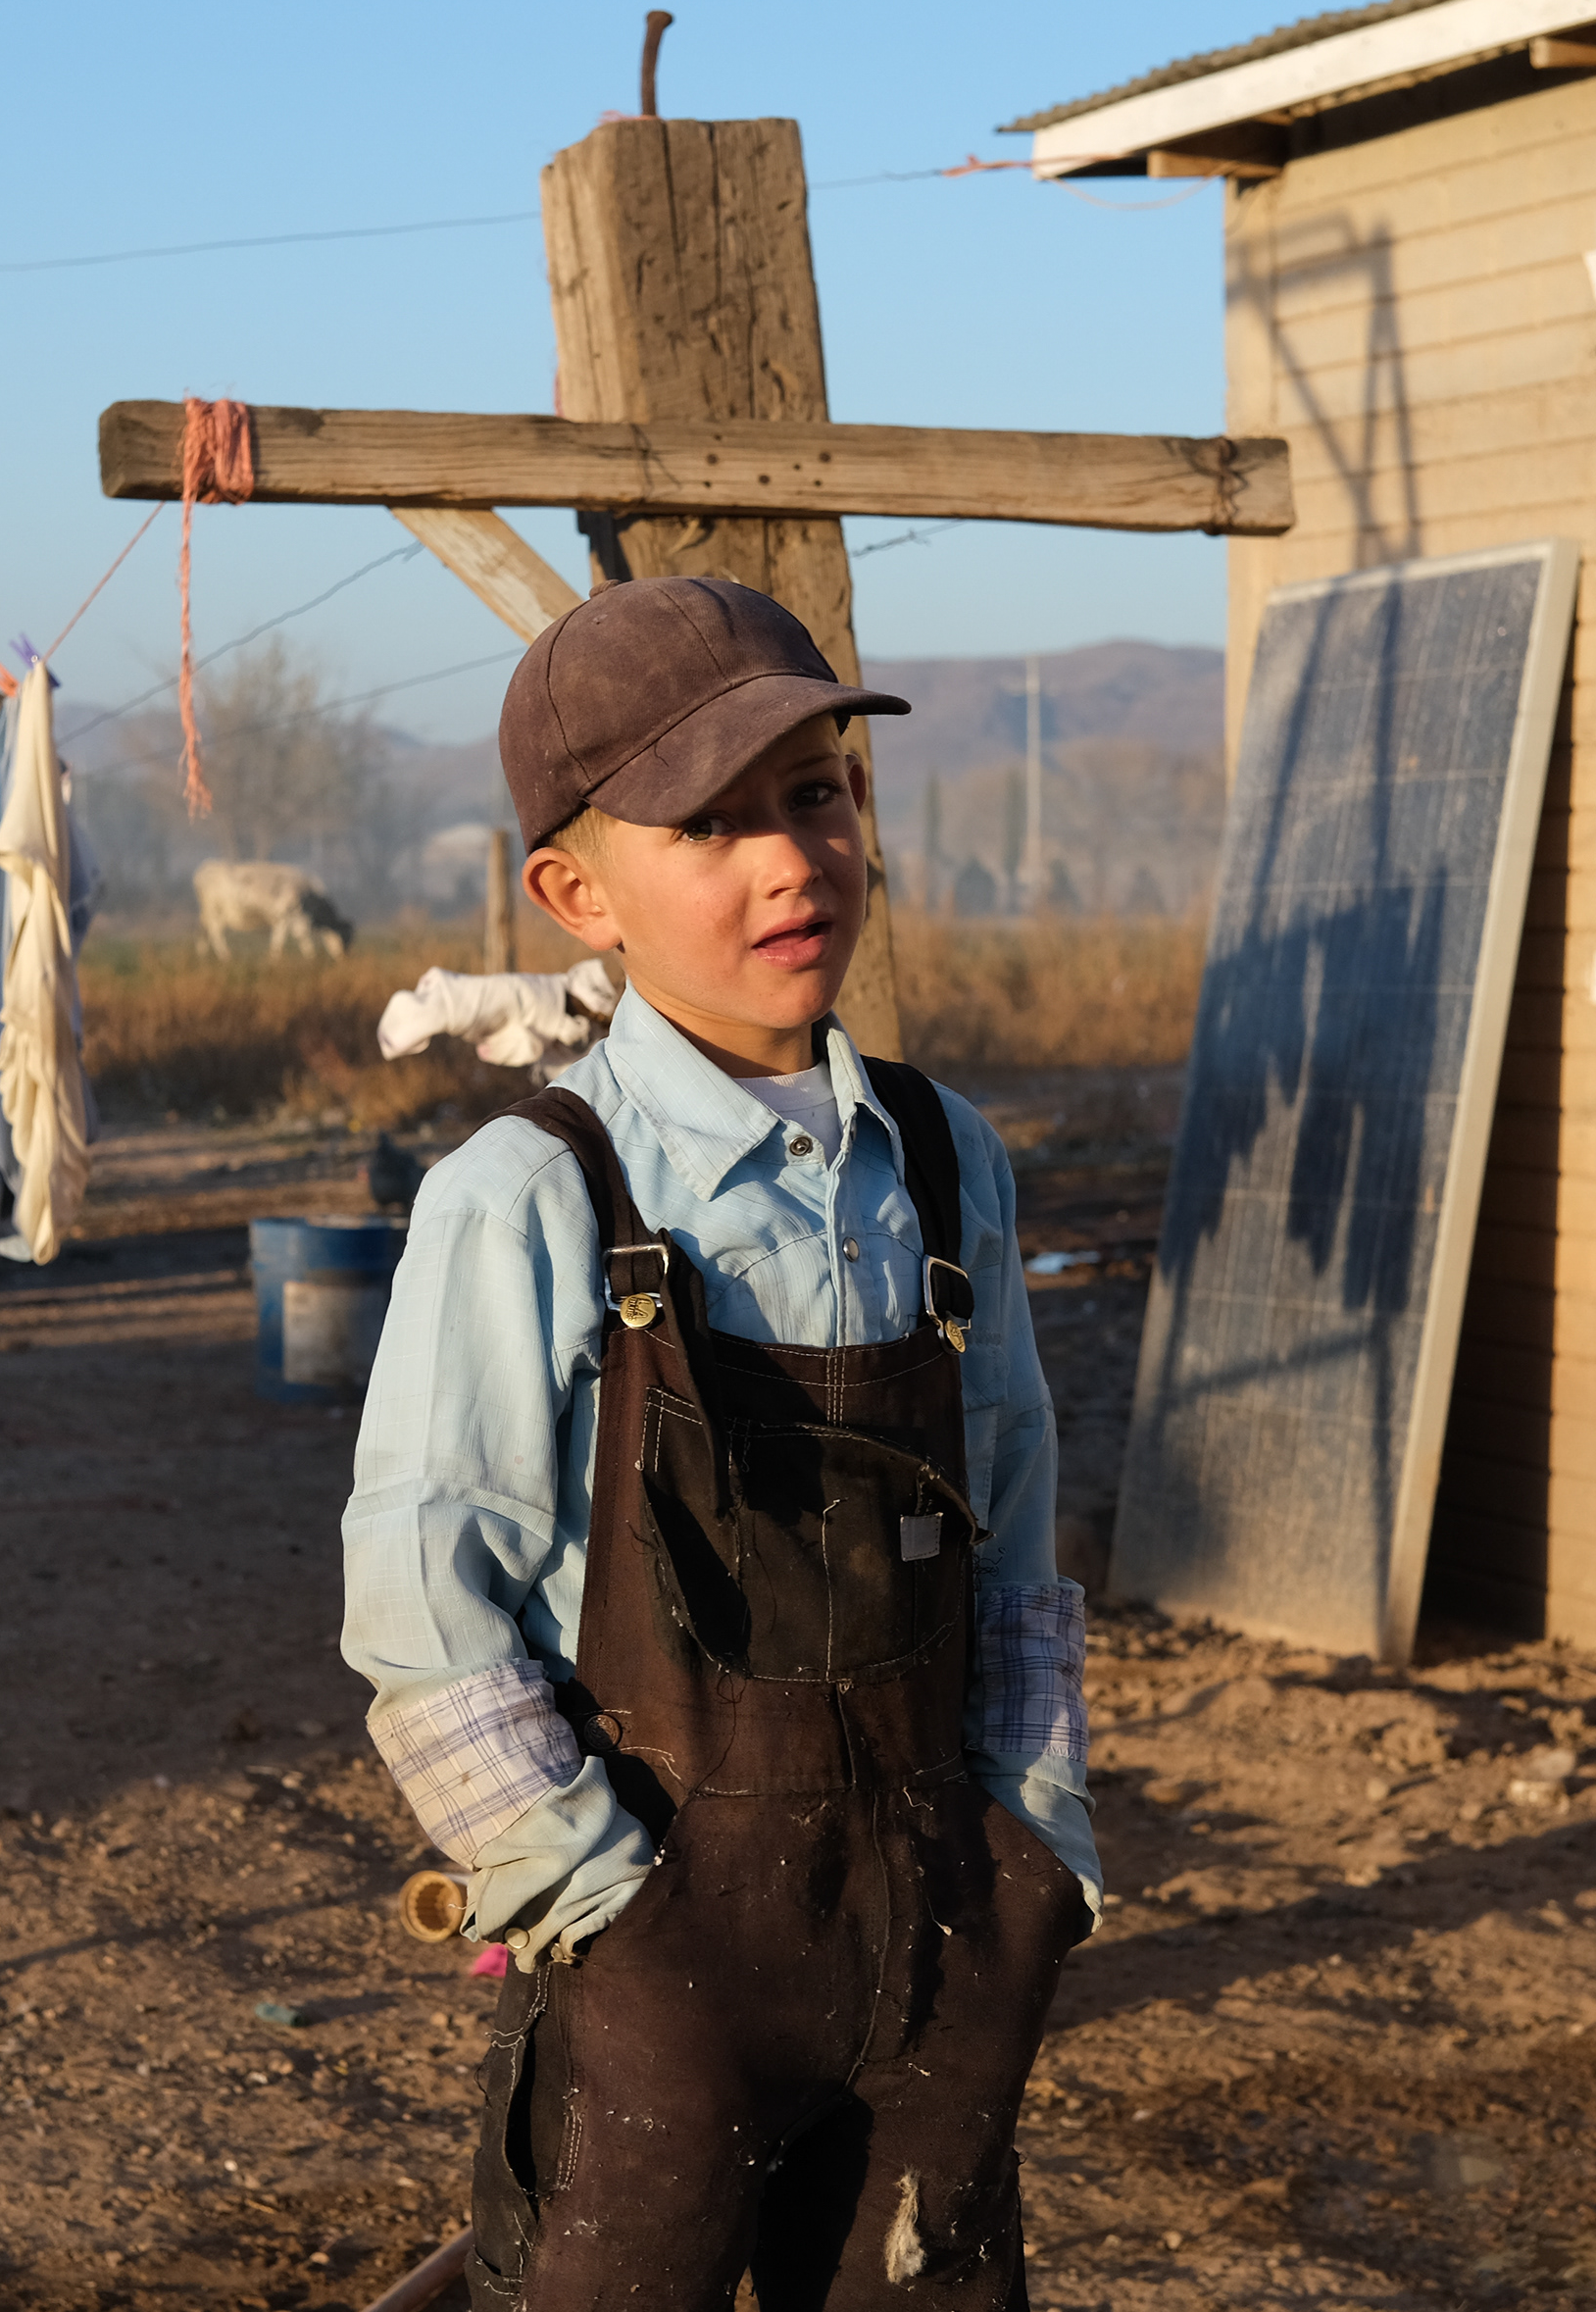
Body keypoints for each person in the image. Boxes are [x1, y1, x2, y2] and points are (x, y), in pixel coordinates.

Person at [342, 577, 1098, 2308]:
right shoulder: (528, 1196)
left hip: (937, 1937)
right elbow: (420, 1609)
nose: (788, 861)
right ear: (576, 891)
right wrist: (596, 1905)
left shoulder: (943, 1153)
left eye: (817, 795)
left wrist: (1036, 1855)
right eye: (708, 825)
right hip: (661, 1958)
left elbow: (1020, 1529)